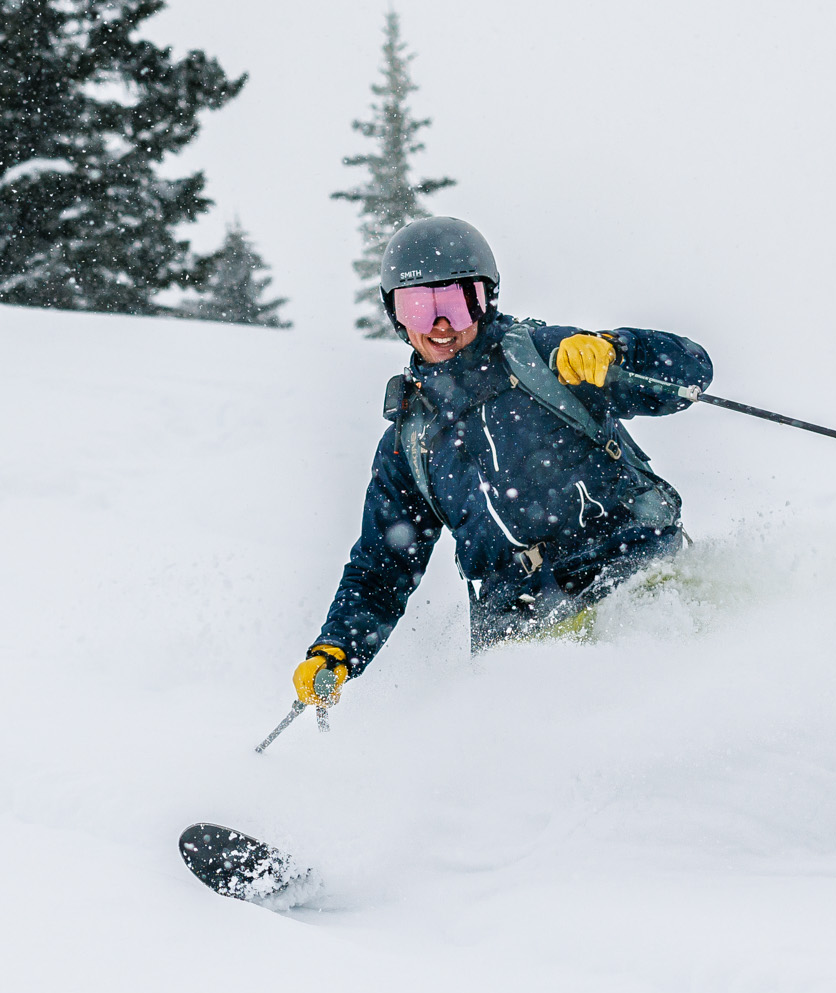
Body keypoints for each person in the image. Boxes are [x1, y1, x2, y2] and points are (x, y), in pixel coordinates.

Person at [294, 217, 712, 710]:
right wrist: (337, 649)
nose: (441, 324)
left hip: (632, 574)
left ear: (485, 299)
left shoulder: (543, 358)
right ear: (397, 317)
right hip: (521, 628)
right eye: (419, 307)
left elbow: (690, 371)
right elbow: (382, 567)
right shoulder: (411, 442)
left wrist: (618, 348)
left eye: (455, 301)